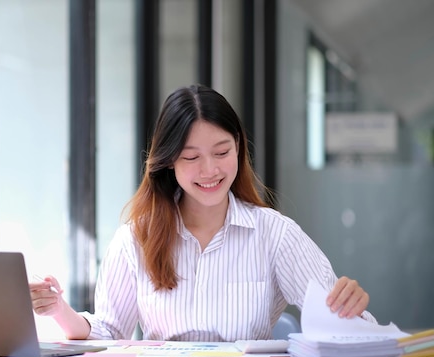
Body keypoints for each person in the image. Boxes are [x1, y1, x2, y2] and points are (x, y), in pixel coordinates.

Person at [30, 84, 375, 342]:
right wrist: (59, 310)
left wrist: (349, 305)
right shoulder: (136, 238)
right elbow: (107, 333)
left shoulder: (275, 234)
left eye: (221, 152)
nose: (209, 170)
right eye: (191, 158)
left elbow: (343, 326)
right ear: (168, 162)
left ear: (239, 149)